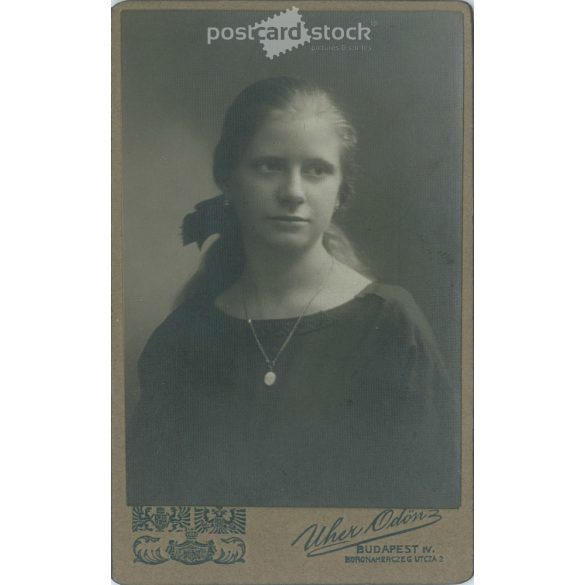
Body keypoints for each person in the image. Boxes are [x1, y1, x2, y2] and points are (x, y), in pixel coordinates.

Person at [127, 76, 459, 508]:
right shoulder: (181, 341)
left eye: (317, 170)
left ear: (341, 190)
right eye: (269, 166)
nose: (293, 192)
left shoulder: (391, 327)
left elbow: (433, 511)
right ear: (229, 179)